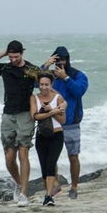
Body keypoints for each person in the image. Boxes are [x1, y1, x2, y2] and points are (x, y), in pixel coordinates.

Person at [0, 40, 40, 206]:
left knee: (23, 152)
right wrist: (2, 54)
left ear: (22, 53)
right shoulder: (5, 68)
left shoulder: (31, 69)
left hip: (25, 114)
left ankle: (24, 194)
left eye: (16, 56)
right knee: (9, 157)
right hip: (8, 115)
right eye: (11, 56)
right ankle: (20, 183)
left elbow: (45, 83)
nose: (13, 59)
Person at [40, 46, 88, 199]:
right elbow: (37, 85)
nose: (59, 63)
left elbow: (79, 91)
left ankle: (74, 187)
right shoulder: (49, 76)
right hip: (53, 121)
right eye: (56, 60)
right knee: (51, 157)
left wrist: (66, 78)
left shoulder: (77, 75)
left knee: (73, 155)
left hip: (71, 122)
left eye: (62, 60)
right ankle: (55, 185)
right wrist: (45, 66)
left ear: (67, 60)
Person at [31, 73, 67, 206]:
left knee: (51, 164)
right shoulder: (34, 98)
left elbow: (63, 120)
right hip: (42, 136)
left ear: (51, 85)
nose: (44, 87)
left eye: (46, 84)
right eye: (41, 84)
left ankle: (48, 196)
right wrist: (51, 112)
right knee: (44, 166)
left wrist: (52, 109)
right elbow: (34, 116)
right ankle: (51, 190)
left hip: (56, 135)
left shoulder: (58, 98)